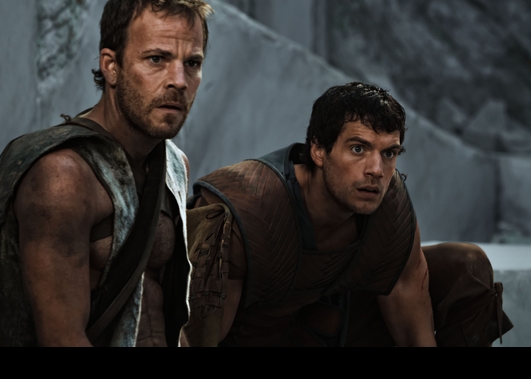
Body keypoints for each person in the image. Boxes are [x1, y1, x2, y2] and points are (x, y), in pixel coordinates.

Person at [0, 0, 213, 347]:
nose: (180, 81)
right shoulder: (63, 177)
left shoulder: (174, 165)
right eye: (156, 59)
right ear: (111, 66)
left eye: (192, 63)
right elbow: (62, 339)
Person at [184, 82, 513, 347]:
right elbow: (197, 337)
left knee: (465, 265)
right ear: (318, 150)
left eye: (389, 153)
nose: (376, 170)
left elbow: (415, 334)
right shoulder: (246, 207)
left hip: (333, 330)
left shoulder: (390, 207)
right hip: (254, 338)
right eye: (358, 149)